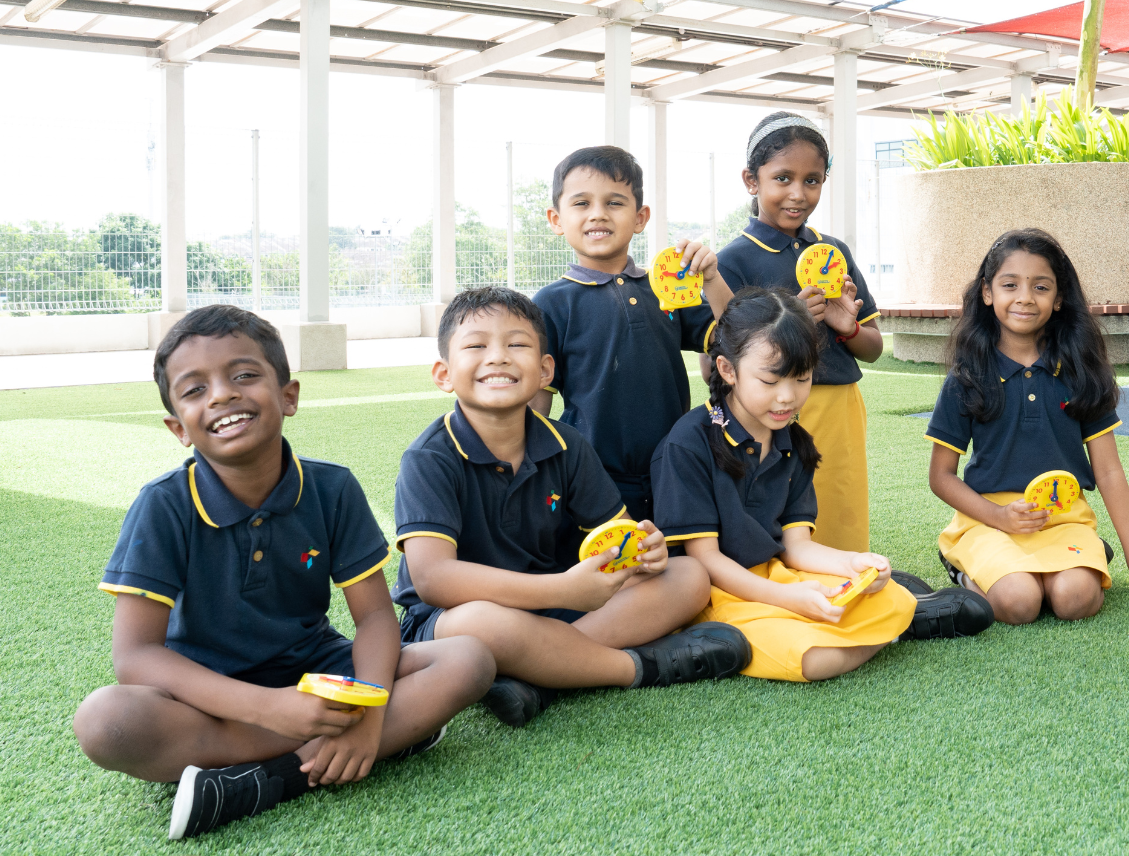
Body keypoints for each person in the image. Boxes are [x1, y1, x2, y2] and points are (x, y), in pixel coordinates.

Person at [72, 306, 494, 840]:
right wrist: (270, 708)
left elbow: (374, 619)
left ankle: (263, 781)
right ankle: (387, 738)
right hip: (212, 697)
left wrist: (368, 711)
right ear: (178, 428)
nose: (222, 395)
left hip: (319, 675)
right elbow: (136, 655)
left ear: (288, 396)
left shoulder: (332, 489)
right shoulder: (163, 506)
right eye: (195, 389)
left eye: (244, 375)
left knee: (468, 658)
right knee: (104, 721)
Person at [393, 287, 745, 727]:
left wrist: (644, 553)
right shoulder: (429, 458)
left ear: (545, 370)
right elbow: (434, 580)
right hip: (453, 618)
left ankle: (540, 675)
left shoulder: (566, 444)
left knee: (687, 575)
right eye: (477, 346)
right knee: (483, 624)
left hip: (555, 604)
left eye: (516, 344)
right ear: (444, 374)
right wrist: (562, 590)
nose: (498, 357)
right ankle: (636, 668)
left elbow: (618, 539)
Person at [652, 287, 993, 682]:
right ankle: (886, 631)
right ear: (728, 370)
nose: (787, 397)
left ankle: (889, 620)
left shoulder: (793, 442)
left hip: (779, 577)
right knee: (816, 660)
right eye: (770, 381)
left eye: (801, 379)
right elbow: (706, 562)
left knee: (892, 600)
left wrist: (852, 564)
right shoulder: (689, 442)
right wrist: (789, 598)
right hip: (716, 597)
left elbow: (797, 546)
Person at [926, 229, 1129, 624]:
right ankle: (963, 567)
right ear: (987, 293)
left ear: (1058, 299)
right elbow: (941, 477)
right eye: (1010, 285)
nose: (1025, 297)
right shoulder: (967, 376)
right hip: (990, 521)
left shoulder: (1081, 372)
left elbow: (1109, 471)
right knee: (1019, 602)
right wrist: (999, 516)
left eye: (1040, 287)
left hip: (1064, 519)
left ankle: (1084, 555)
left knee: (1075, 600)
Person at [530, 145, 729, 523]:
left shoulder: (667, 287)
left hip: (675, 466)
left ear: (640, 217)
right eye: (582, 203)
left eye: (614, 202)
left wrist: (712, 279)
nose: (598, 213)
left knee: (674, 554)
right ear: (556, 219)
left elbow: (738, 335)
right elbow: (535, 403)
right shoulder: (551, 303)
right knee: (613, 557)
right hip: (592, 476)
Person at [714, 112, 879, 552]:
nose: (798, 193)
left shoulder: (833, 252)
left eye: (812, 180)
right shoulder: (732, 261)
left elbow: (874, 348)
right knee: (780, 521)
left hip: (840, 409)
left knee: (840, 516)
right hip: (770, 410)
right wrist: (793, 321)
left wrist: (847, 328)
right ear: (751, 180)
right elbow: (717, 362)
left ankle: (849, 582)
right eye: (782, 178)